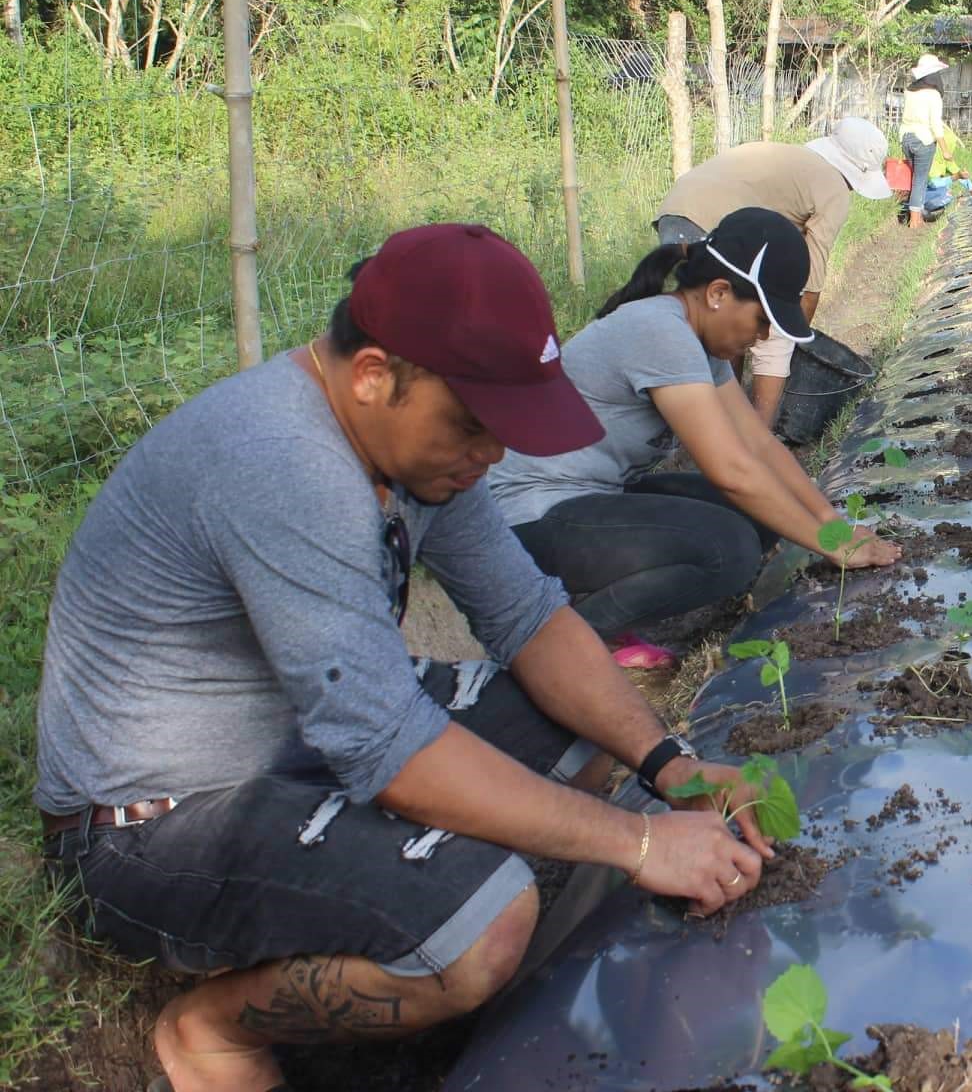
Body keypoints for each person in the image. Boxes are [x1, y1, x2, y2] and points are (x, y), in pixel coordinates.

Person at [34, 222, 777, 1092]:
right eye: (473, 426)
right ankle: (213, 1031)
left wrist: (670, 766)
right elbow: (386, 748)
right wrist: (640, 843)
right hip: (152, 823)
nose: (490, 455)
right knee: (485, 927)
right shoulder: (284, 463)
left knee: (585, 739)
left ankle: (456, 966)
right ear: (375, 374)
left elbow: (528, 616)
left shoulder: (415, 455)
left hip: (294, 743)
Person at [488, 209, 901, 670]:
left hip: (591, 497)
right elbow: (730, 471)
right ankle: (561, 640)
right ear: (719, 293)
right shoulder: (658, 331)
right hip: (528, 517)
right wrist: (833, 547)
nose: (763, 336)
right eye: (762, 320)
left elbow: (759, 447)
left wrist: (834, 525)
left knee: (759, 520)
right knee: (729, 548)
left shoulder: (696, 340)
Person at [652, 118, 893, 426]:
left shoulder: (791, 161)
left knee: (721, 322)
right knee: (766, 332)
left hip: (675, 212)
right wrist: (794, 336)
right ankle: (754, 436)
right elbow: (811, 280)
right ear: (857, 173)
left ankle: (717, 419)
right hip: (709, 224)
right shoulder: (834, 189)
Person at [900, 53, 950, 230]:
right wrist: (945, 150)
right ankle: (915, 220)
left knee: (915, 177)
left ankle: (913, 213)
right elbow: (935, 125)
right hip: (924, 140)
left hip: (905, 137)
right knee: (920, 179)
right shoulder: (933, 95)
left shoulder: (909, 92)